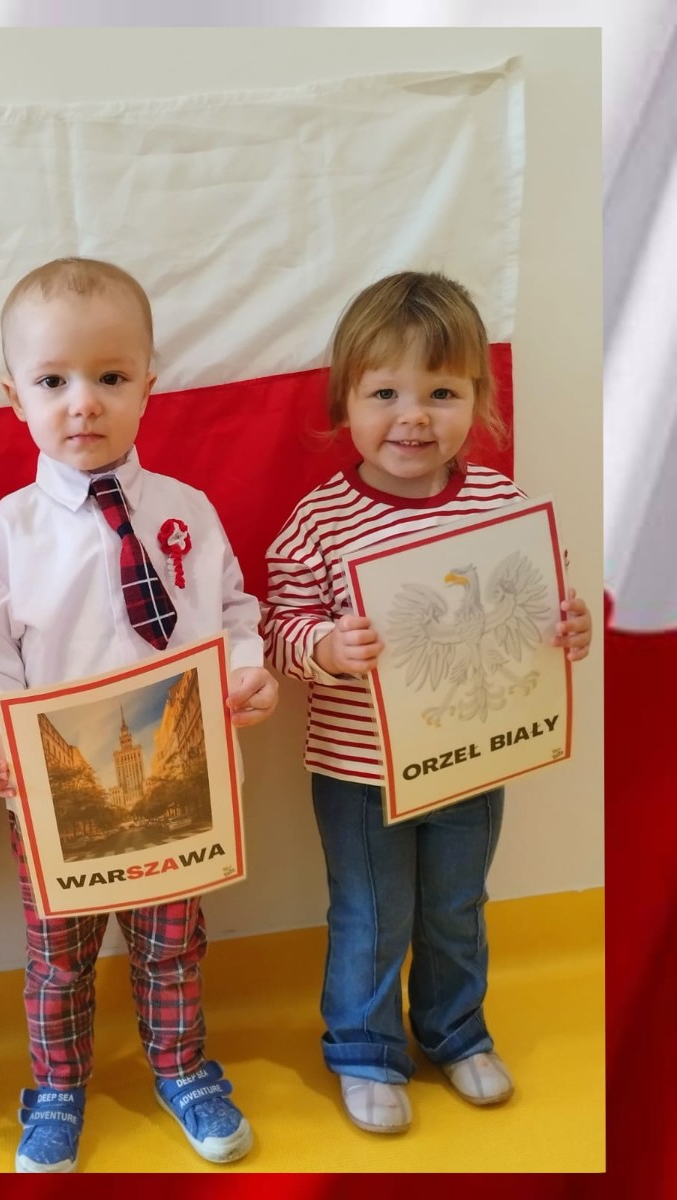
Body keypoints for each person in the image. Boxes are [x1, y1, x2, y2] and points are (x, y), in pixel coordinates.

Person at [0, 257, 279, 1173]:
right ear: (15, 396)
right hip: (54, 800)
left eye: (109, 377)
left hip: (180, 784)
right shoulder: (6, 534)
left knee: (172, 946)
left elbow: (233, 613)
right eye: (53, 382)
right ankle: (57, 1087)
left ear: (148, 383)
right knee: (57, 958)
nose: (83, 403)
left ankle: (180, 1066)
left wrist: (248, 672)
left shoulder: (188, 512)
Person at [262, 271, 593, 1135]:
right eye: (386, 394)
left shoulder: (504, 505)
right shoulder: (320, 521)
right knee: (372, 914)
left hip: (475, 759)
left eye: (441, 393)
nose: (413, 417)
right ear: (345, 401)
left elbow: (542, 607)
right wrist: (325, 647)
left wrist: (567, 626)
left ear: (478, 400)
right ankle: (365, 1050)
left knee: (456, 905)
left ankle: (456, 1032)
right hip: (361, 773)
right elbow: (277, 628)